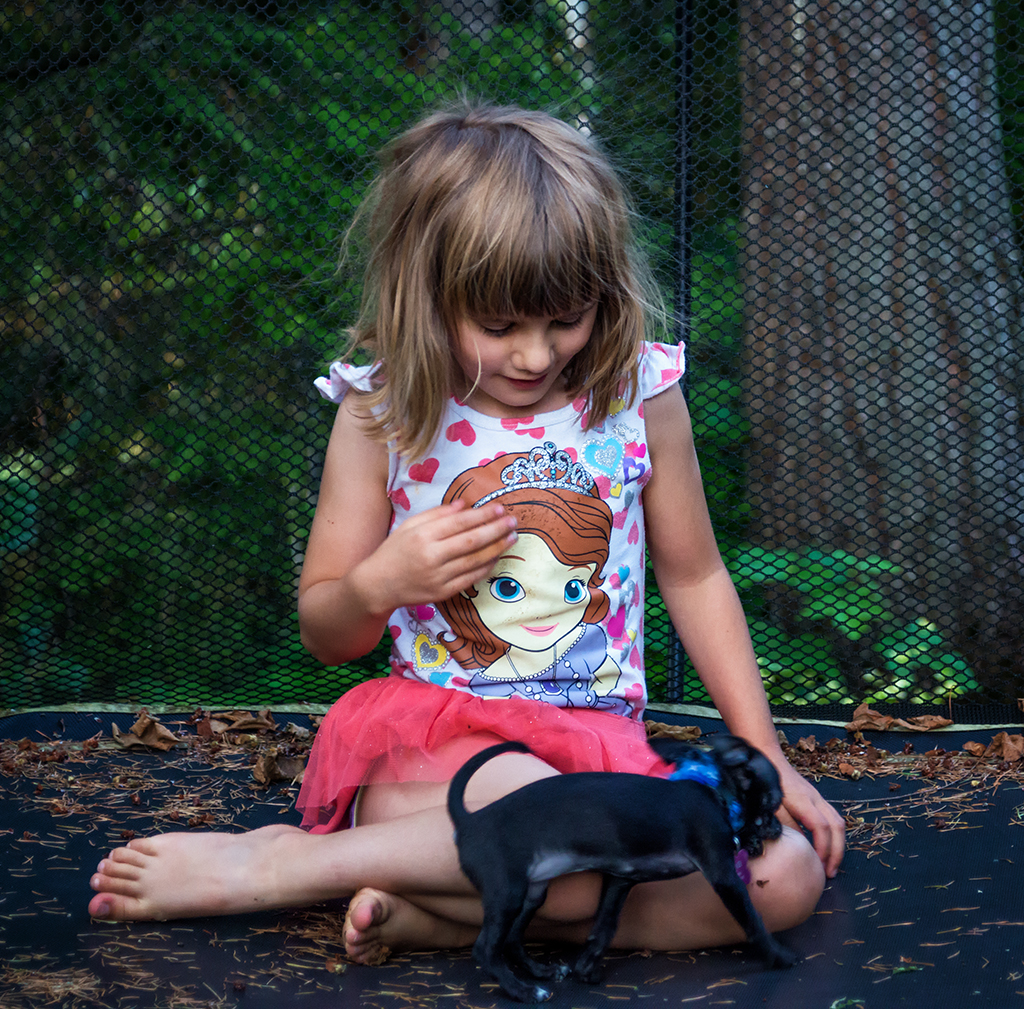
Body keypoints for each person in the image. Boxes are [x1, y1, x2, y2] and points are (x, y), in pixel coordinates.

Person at [87, 100, 845, 965]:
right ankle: (288, 862)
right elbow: (328, 628)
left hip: (598, 754)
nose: (535, 355)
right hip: (432, 763)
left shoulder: (638, 395)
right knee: (547, 824)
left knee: (781, 879)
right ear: (428, 293)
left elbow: (697, 576)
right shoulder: (386, 413)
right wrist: (382, 581)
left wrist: (765, 753)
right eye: (499, 326)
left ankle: (441, 919)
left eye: (566, 318)